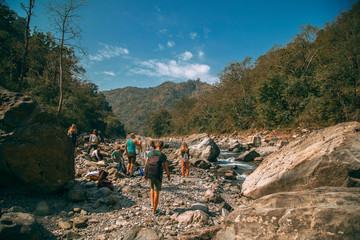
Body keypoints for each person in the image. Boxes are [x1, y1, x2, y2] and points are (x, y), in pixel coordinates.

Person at [144, 141, 171, 215]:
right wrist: (168, 175)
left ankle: (153, 205)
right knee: (156, 191)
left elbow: (146, 164)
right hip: (157, 175)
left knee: (151, 189)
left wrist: (145, 174)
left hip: (149, 173)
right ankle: (154, 210)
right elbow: (165, 167)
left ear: (156, 146)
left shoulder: (150, 153)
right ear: (162, 147)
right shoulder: (162, 155)